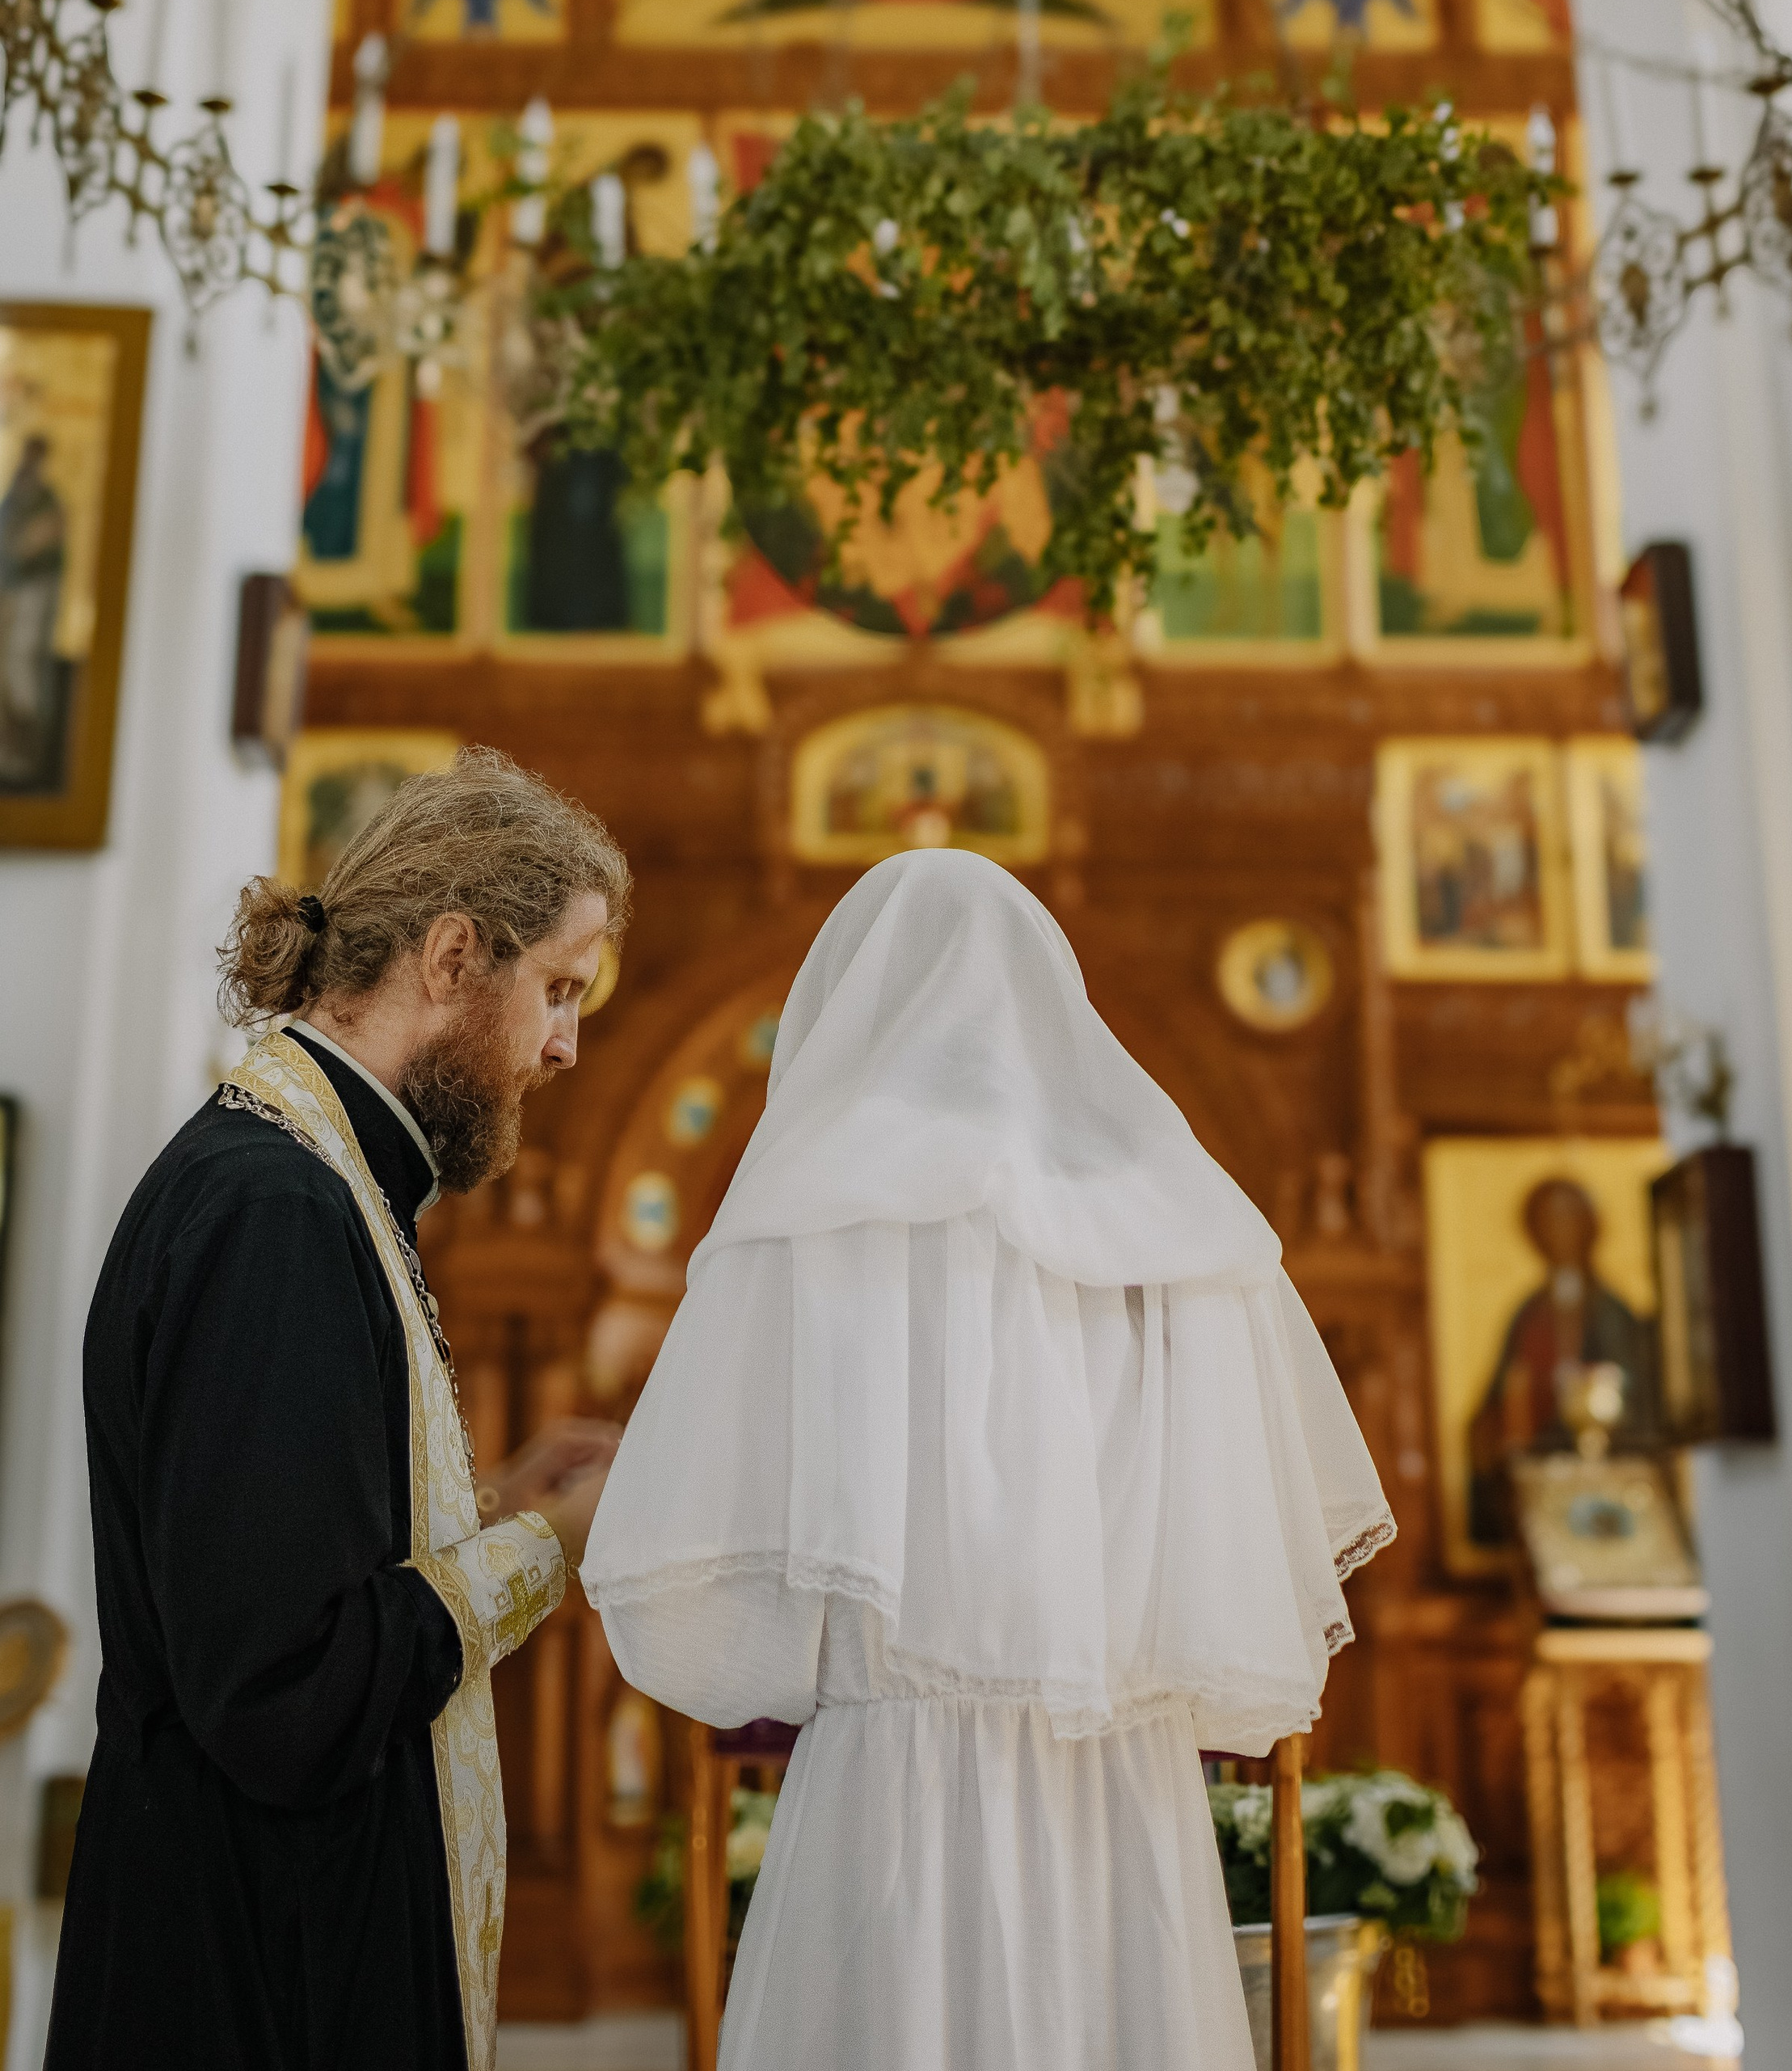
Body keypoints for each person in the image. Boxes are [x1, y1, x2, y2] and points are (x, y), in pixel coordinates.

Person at [582, 850, 1394, 2071]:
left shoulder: (811, 1211)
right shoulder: (1174, 1219)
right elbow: (1244, 1527)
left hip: (886, 1782)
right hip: (1122, 1788)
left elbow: (703, 1571)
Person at [45, 747, 630, 2071]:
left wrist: (486, 1504)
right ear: (450, 954)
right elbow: (285, 1689)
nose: (564, 1044)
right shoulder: (278, 1212)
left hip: (257, 1931)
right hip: (250, 1973)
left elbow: (282, 1559)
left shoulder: (316, 1183)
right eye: (556, 988)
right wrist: (549, 1550)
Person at [1466, 1173, 1659, 1546]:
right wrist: (1489, 1433)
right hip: (1541, 1470)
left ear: (1588, 1227)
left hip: (1607, 1474)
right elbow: (1500, 1394)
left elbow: (1638, 1396)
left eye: (1568, 1219)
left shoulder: (1611, 1312)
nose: (1558, 1233)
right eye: (1547, 1223)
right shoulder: (1528, 1313)